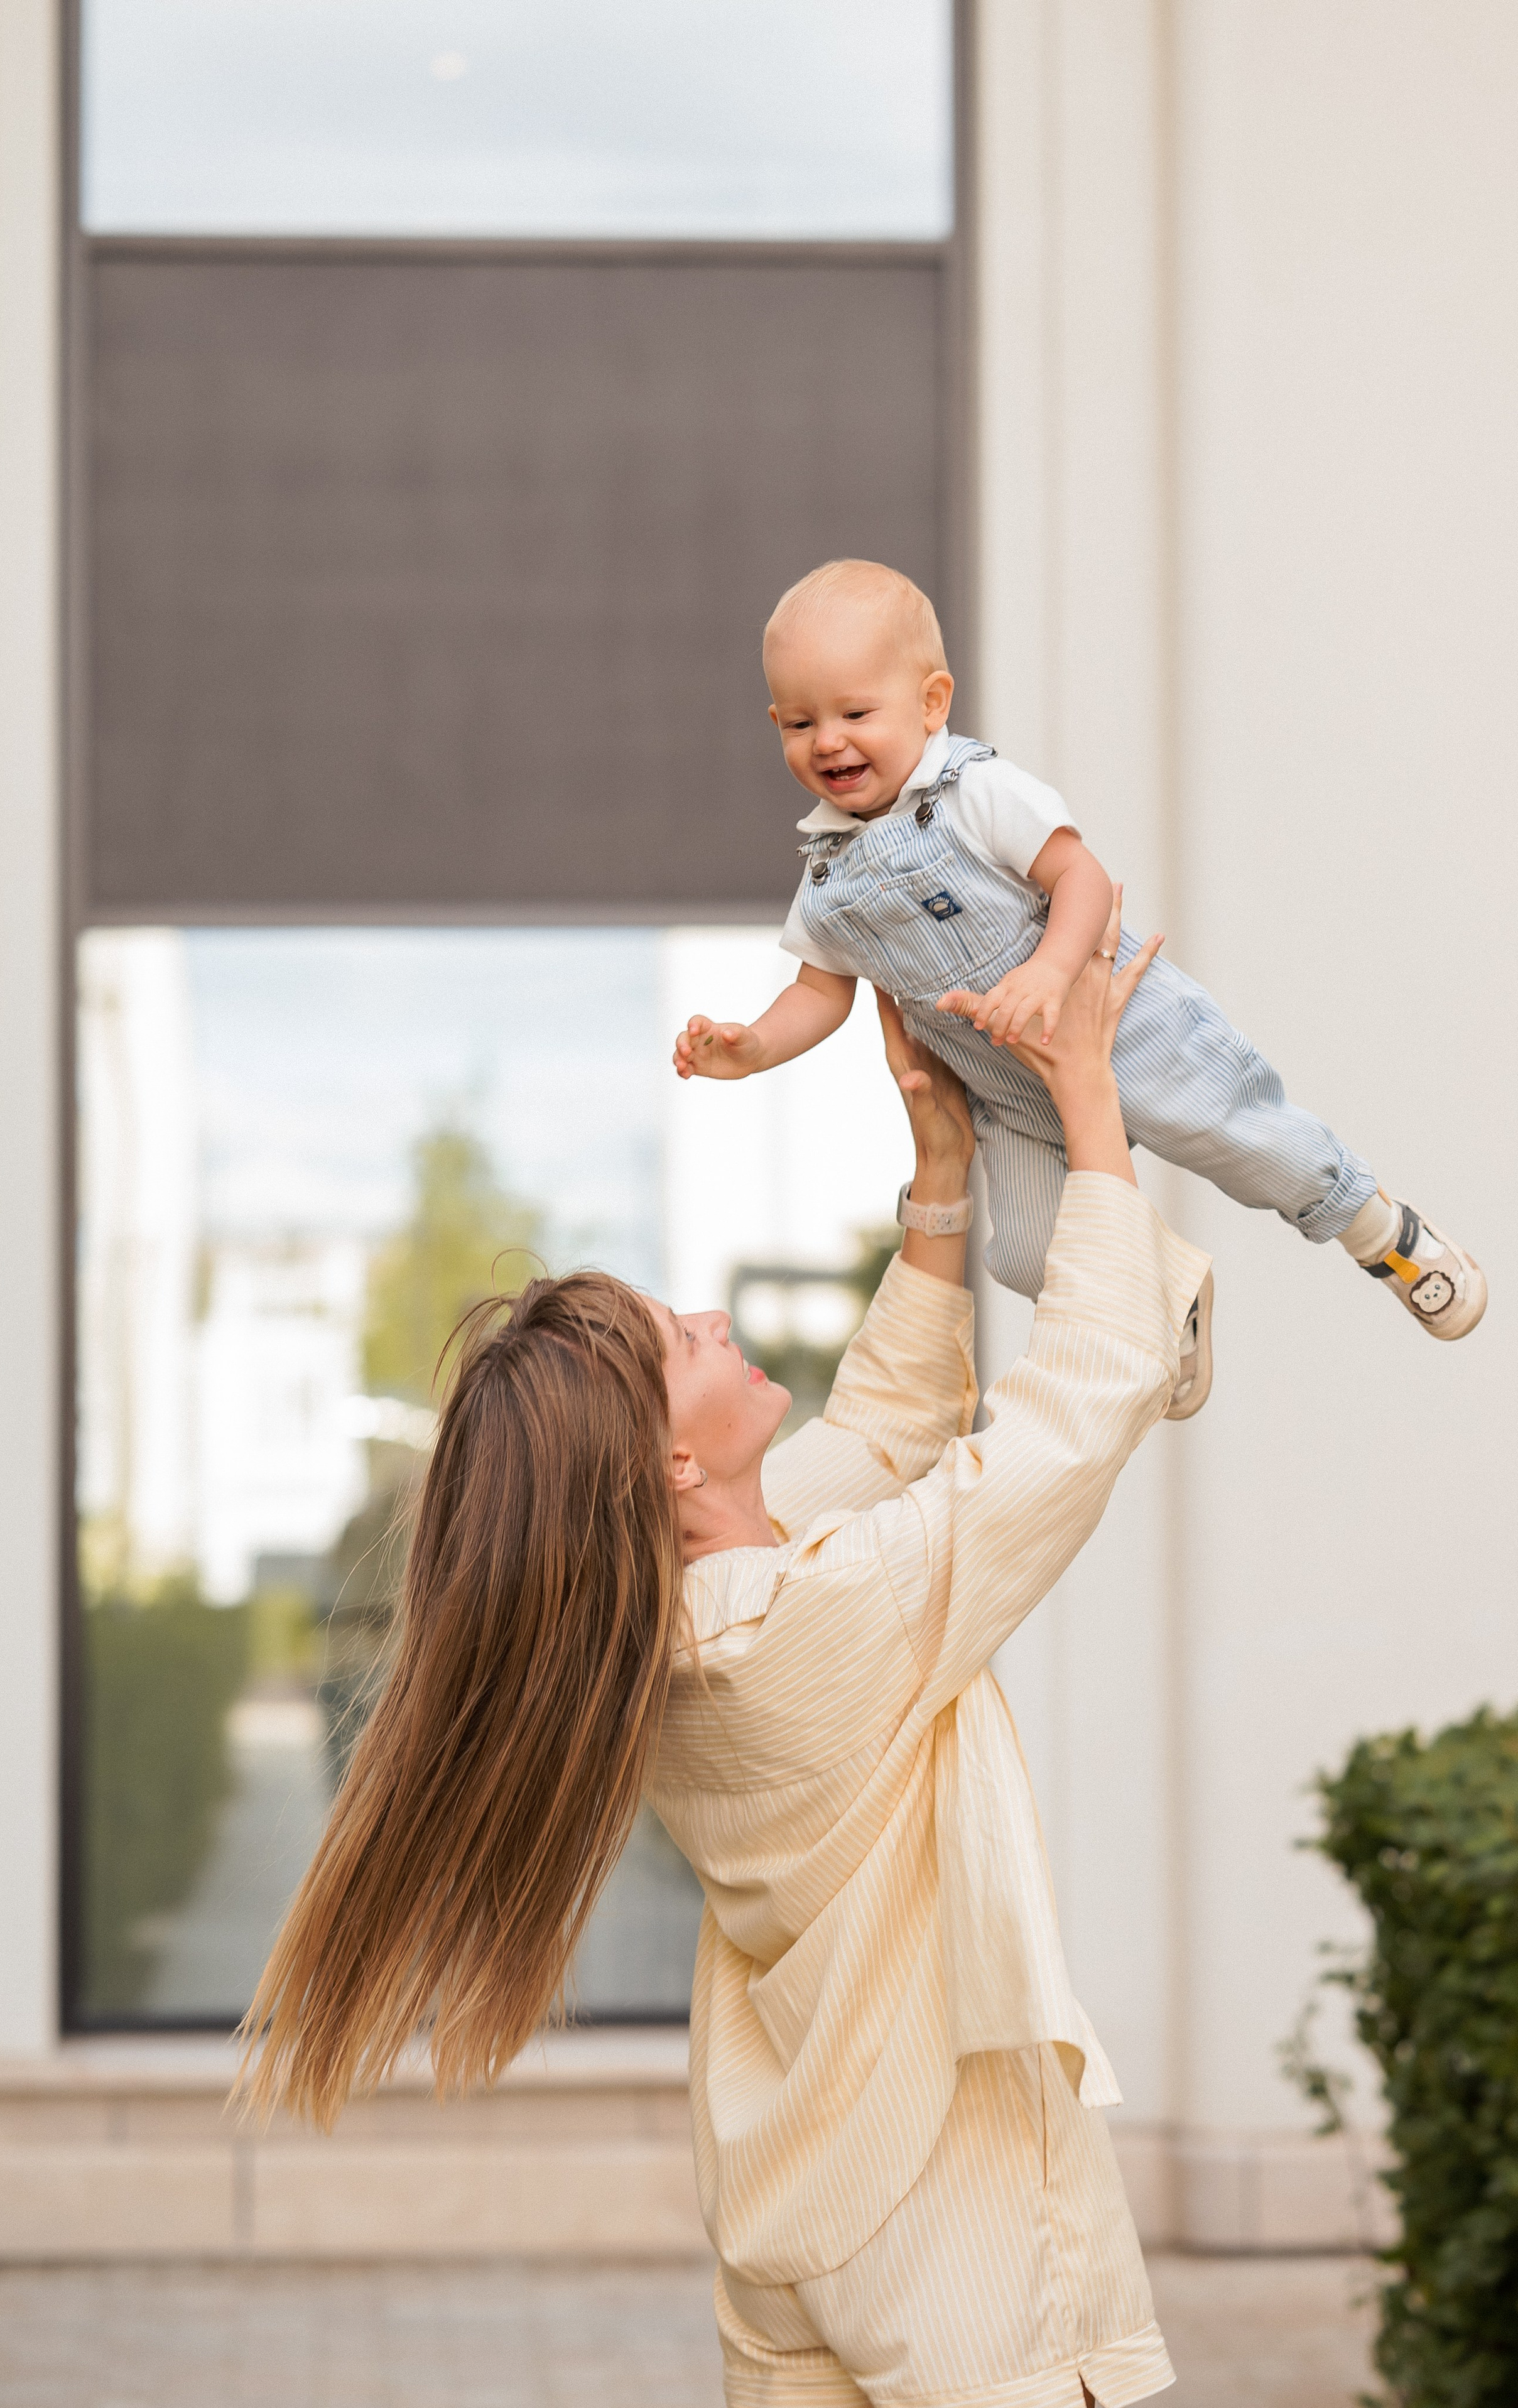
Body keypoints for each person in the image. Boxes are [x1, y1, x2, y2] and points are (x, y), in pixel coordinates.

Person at [242, 914, 1206, 2407]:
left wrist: (938, 1179)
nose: (707, 1319)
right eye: (671, 1341)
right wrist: (1088, 1101)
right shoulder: (806, 1624)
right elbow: (1070, 1417)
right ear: (668, 1466)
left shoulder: (681, 1626)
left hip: (795, 2217)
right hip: (948, 2237)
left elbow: (882, 1438)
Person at [673, 558, 1485, 1419]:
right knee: (1025, 1254)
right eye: (800, 722)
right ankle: (1166, 1298)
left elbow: (1083, 878)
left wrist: (1051, 971)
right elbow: (821, 991)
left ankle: (1380, 1232)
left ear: (933, 702)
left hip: (1118, 1028)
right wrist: (753, 1046)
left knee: (1244, 1138)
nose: (828, 740)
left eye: (855, 713)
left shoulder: (974, 791)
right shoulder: (826, 880)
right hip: (1011, 1095)